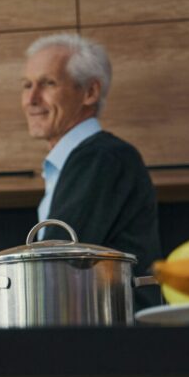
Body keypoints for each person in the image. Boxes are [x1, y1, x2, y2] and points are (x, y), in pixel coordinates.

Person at [21, 33, 161, 305]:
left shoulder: (102, 157)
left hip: (113, 339)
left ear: (90, 92)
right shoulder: (83, 159)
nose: (31, 98)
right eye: (27, 85)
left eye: (47, 83)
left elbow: (55, 265)